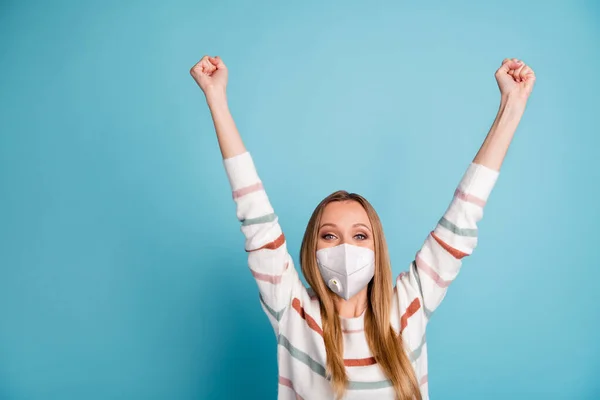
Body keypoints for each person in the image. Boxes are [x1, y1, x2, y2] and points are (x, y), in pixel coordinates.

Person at [190, 54, 535, 400]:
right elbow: (257, 220)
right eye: (329, 236)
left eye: (359, 235)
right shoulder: (293, 314)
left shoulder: (407, 307)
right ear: (312, 249)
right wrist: (216, 99)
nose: (345, 248)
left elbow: (462, 217)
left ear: (376, 248)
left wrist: (512, 105)